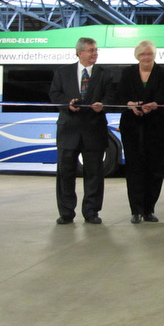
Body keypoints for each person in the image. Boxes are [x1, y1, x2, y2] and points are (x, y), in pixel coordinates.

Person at [49, 37, 114, 225]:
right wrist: (67, 104)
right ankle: (66, 212)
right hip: (68, 131)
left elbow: (111, 96)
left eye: (96, 50)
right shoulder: (63, 73)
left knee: (95, 174)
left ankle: (91, 212)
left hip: (94, 130)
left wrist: (103, 105)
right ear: (80, 53)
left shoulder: (105, 74)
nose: (95, 53)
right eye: (91, 50)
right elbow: (54, 94)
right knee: (65, 173)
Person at [116, 40, 164, 224]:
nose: (146, 57)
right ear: (137, 56)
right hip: (132, 127)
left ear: (154, 55)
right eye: (142, 54)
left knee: (155, 168)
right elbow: (120, 95)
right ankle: (136, 210)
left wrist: (155, 105)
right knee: (134, 168)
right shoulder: (128, 72)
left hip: (157, 127)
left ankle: (149, 209)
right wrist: (130, 105)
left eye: (149, 54)